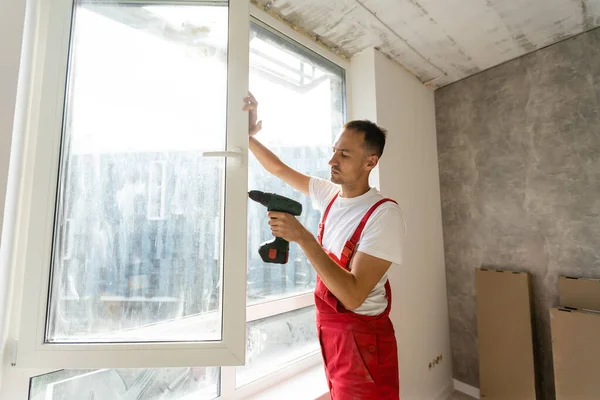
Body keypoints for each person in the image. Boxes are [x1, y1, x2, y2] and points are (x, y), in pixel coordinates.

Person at [243, 92, 406, 400]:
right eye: (334, 151)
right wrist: (247, 138)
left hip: (363, 340)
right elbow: (278, 168)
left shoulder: (384, 214)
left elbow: (354, 295)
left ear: (371, 161)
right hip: (331, 331)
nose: (332, 161)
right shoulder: (328, 194)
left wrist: (302, 237)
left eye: (344, 154)